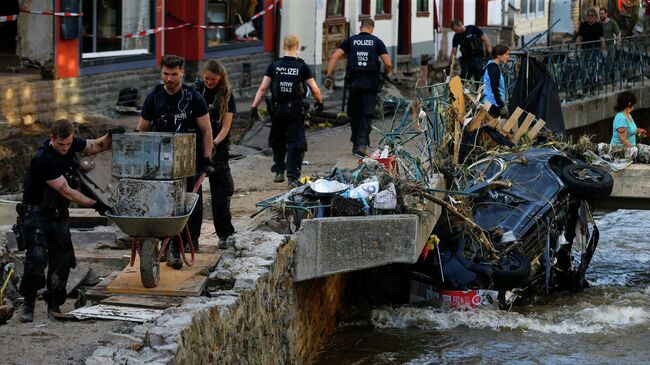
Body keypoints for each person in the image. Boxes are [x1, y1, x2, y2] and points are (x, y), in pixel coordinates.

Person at [19, 119, 117, 322]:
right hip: (36, 213)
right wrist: (96, 204)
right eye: (60, 145)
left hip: (58, 213)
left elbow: (95, 146)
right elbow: (67, 191)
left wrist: (110, 135)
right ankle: (28, 302)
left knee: (62, 260)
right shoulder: (42, 158)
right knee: (36, 257)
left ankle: (54, 304)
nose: (65, 148)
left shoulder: (72, 143)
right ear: (51, 138)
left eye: (68, 144)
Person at [138, 55, 213, 269]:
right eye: (165, 74)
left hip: (189, 161)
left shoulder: (193, 98)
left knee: (190, 203)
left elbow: (206, 130)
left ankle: (190, 243)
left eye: (173, 74)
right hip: (160, 163)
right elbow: (142, 130)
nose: (169, 78)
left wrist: (207, 159)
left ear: (182, 73)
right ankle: (168, 245)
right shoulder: (153, 98)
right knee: (163, 204)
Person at [251, 35, 324, 186]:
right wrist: (320, 102)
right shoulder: (302, 67)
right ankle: (292, 176)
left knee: (278, 139)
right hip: (295, 110)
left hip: (277, 110)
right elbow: (315, 89)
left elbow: (263, 88)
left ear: (284, 46)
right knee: (296, 142)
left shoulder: (274, 65)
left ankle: (279, 170)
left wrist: (254, 106)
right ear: (297, 46)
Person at [325, 18, 392, 156]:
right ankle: (362, 143)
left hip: (354, 84)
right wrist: (384, 76)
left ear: (361, 27)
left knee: (355, 113)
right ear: (371, 28)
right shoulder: (377, 42)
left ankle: (356, 142)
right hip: (370, 84)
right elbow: (388, 64)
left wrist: (329, 76)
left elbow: (334, 57)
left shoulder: (351, 41)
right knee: (367, 114)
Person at [195, 59, 235, 249]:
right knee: (193, 191)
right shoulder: (197, 91)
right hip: (197, 145)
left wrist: (215, 144)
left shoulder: (226, 95)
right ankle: (191, 238)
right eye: (207, 78)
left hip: (219, 148)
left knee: (221, 192)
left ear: (220, 78)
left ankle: (225, 233)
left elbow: (226, 125)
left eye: (213, 79)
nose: (209, 82)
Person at [482, 45, 510, 118]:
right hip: (492, 103)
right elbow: (495, 89)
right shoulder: (493, 68)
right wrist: (502, 105)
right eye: (506, 54)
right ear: (499, 55)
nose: (508, 57)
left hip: (490, 102)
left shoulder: (491, 66)